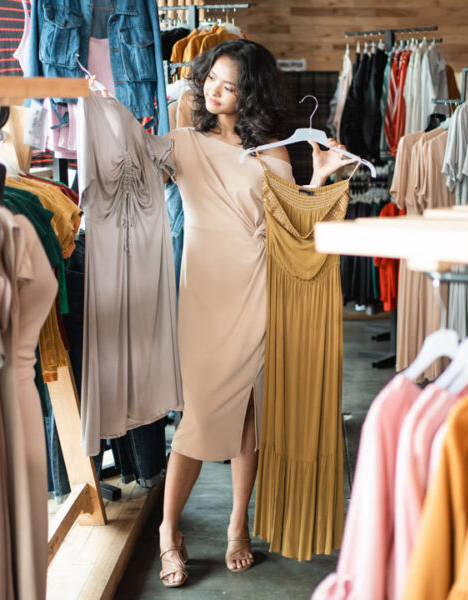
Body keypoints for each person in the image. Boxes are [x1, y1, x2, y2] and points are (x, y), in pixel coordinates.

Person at [149, 39, 356, 587]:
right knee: (196, 420)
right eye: (210, 79)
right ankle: (168, 531)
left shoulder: (273, 152)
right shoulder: (181, 144)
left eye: (229, 84)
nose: (214, 90)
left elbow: (297, 223)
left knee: (246, 416)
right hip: (205, 296)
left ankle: (238, 526)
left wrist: (320, 176)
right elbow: (129, 175)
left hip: (260, 291)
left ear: (251, 93)